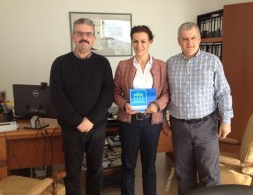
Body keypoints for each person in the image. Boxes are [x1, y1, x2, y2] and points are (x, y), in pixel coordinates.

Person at [166, 22, 233, 195]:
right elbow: (166, 94)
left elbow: (224, 93)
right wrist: (161, 118)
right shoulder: (170, 64)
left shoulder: (212, 61)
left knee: (209, 174)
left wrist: (226, 120)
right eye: (185, 39)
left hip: (206, 126)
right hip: (179, 126)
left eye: (193, 38)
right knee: (183, 174)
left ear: (200, 39)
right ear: (178, 41)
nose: (190, 43)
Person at [50, 18, 114, 195]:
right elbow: (57, 96)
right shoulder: (60, 64)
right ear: (73, 36)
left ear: (93, 38)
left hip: (97, 127)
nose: (84, 37)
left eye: (88, 34)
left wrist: (91, 119)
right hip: (71, 128)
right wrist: (78, 121)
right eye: (80, 33)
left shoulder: (103, 63)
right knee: (72, 173)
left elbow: (108, 94)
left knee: (95, 172)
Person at [114, 25, 169, 195]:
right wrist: (124, 105)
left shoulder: (160, 65)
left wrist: (156, 105)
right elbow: (115, 92)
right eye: (135, 41)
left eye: (143, 41)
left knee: (149, 166)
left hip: (151, 123)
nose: (139, 45)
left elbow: (166, 93)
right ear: (131, 42)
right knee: (128, 165)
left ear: (150, 42)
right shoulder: (123, 65)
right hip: (129, 122)